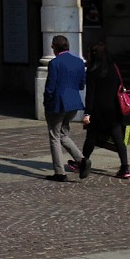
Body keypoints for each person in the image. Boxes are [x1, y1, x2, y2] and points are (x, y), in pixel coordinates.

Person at [78, 40, 130, 179]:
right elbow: (120, 86)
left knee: (91, 136)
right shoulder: (114, 67)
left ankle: (83, 162)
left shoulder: (92, 71)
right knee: (118, 139)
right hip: (114, 108)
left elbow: (90, 94)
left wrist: (87, 113)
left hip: (98, 110)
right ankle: (125, 167)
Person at [43, 34, 86, 181]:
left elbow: (50, 87)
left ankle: (59, 172)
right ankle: (81, 160)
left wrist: (46, 102)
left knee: (54, 136)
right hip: (73, 103)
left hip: (58, 103)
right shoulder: (79, 62)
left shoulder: (55, 63)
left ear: (55, 48)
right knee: (63, 134)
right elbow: (81, 85)